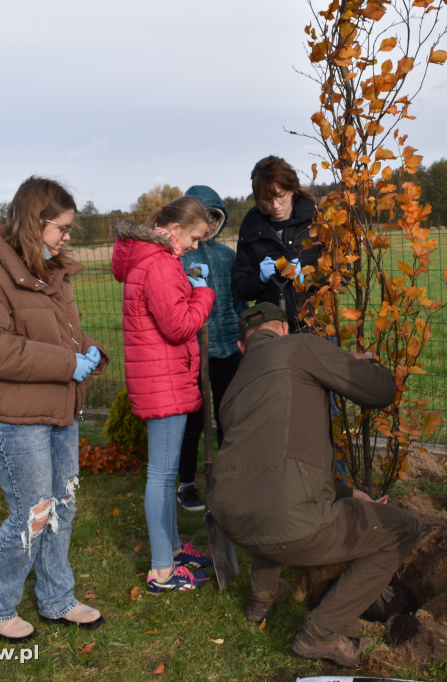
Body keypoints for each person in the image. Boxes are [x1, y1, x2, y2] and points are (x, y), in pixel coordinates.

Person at [207, 302, 420, 667]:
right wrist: (364, 363)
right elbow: (379, 392)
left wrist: (349, 493)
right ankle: (324, 630)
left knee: (268, 493)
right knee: (403, 530)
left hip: (232, 517)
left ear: (243, 346)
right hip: (287, 521)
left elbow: (274, 462)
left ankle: (263, 597)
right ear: (285, 330)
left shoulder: (232, 387)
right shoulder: (300, 347)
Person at [0, 176, 108, 642]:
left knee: (63, 507)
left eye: (69, 229)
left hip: (58, 408)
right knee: (33, 513)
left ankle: (57, 598)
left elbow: (63, 336)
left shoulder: (50, 273)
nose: (67, 237)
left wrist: (90, 350)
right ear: (35, 222)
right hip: (12, 417)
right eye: (62, 227)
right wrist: (66, 363)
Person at [110, 197, 217, 593]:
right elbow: (178, 326)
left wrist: (186, 287)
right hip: (164, 383)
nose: (194, 245)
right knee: (160, 476)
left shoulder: (152, 258)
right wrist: (203, 294)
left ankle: (172, 551)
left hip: (162, 378)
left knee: (167, 473)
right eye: (193, 237)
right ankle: (162, 571)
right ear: (173, 230)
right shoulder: (158, 263)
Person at [175, 185, 247, 512]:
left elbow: (238, 299)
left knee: (229, 414)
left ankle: (231, 477)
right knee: (192, 418)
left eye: (215, 218)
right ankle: (186, 483)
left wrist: (242, 334)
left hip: (228, 347)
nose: (210, 225)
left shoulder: (226, 256)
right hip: (193, 351)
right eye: (204, 218)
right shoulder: (179, 257)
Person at [231, 155, 319, 331]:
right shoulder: (251, 227)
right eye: (267, 200)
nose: (275, 205)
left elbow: (341, 275)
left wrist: (308, 279)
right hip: (270, 326)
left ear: (292, 189)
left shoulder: (316, 220)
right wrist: (259, 278)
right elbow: (241, 288)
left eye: (281, 197)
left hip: (314, 324)